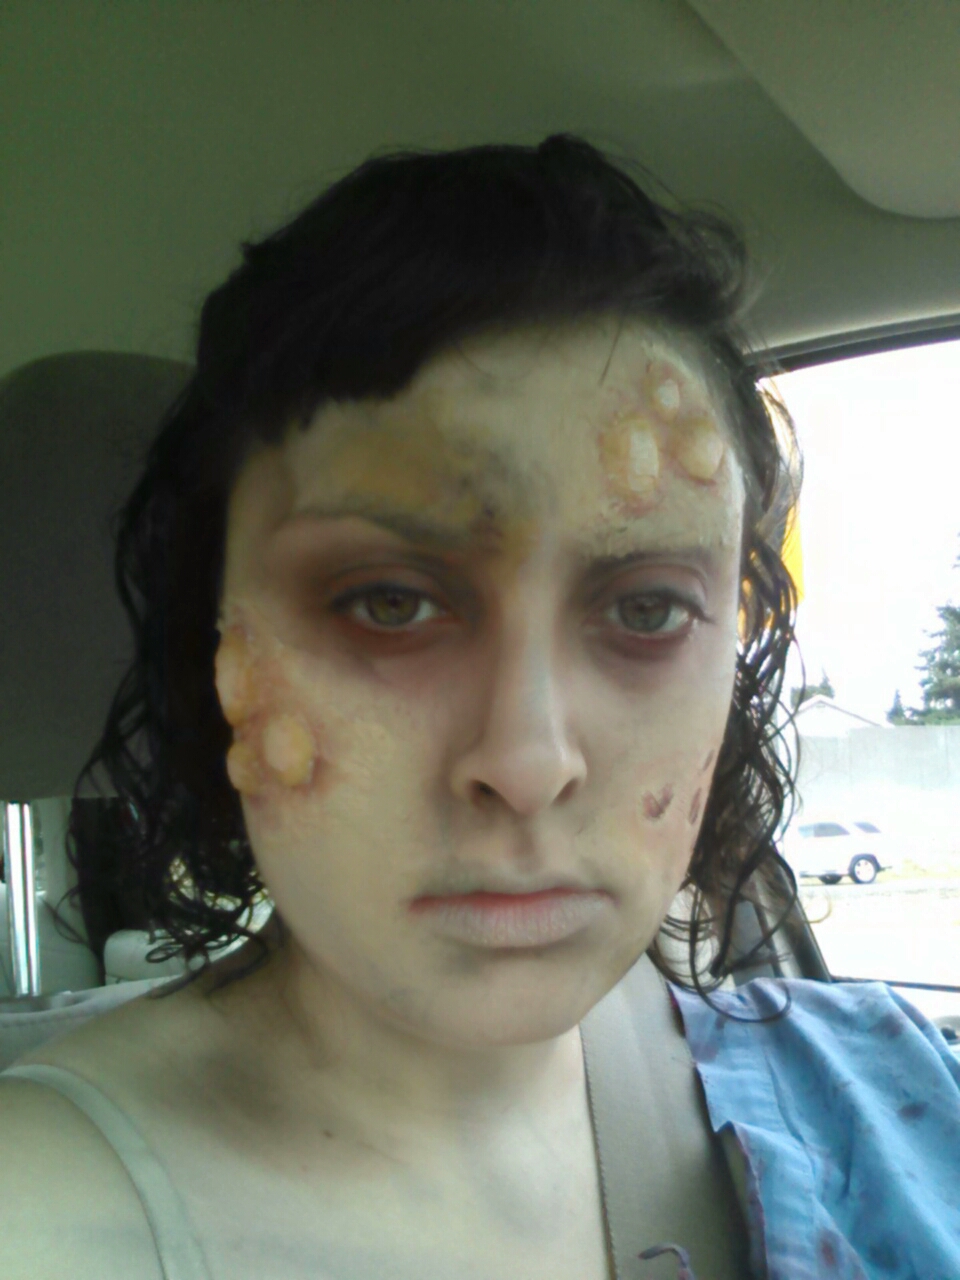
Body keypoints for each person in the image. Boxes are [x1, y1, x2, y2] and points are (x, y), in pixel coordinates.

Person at [1, 135, 958, 1280]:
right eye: (389, 602)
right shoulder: (39, 1214)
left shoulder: (887, 1093)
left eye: (648, 608)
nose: (528, 757)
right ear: (216, 648)